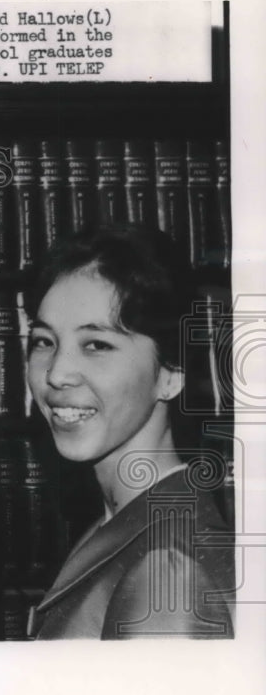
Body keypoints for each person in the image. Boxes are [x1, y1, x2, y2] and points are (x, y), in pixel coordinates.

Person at [24, 225, 234, 639]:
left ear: (171, 375)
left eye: (97, 345)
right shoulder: (122, 521)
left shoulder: (170, 570)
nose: (57, 373)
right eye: (44, 341)